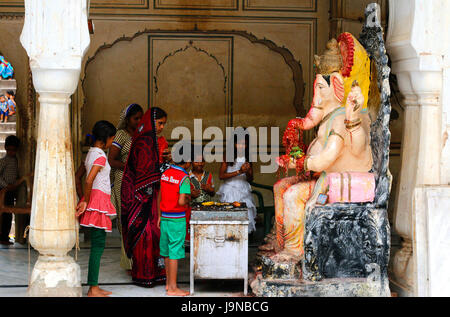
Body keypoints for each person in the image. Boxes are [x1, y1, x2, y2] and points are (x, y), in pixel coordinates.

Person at [121, 107, 170, 287]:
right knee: (145, 235)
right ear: (151, 122)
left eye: (164, 124)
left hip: (154, 196)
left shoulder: (157, 141)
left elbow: (157, 168)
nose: (162, 127)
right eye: (159, 123)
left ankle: (157, 273)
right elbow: (142, 170)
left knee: (157, 233)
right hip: (140, 198)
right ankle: (143, 275)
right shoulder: (142, 142)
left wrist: (166, 161)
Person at [75, 120, 117, 297]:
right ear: (106, 138)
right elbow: (88, 180)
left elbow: (78, 176)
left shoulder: (90, 154)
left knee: (96, 244)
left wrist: (84, 198)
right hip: (98, 202)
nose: (112, 142)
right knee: (98, 245)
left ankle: (94, 286)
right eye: (112, 139)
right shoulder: (100, 156)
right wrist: (86, 201)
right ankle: (93, 288)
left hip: (94, 199)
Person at [108, 103, 143, 272]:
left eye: (140, 118)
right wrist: (129, 167)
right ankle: (128, 261)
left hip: (138, 181)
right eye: (135, 118)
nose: (138, 121)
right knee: (126, 220)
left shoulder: (142, 135)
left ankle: (139, 259)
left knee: (138, 219)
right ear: (127, 119)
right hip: (123, 181)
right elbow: (111, 160)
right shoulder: (121, 135)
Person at [158, 142, 192, 296]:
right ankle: (173, 288)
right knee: (175, 253)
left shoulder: (165, 173)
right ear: (188, 161)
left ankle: (167, 283)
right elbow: (181, 201)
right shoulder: (184, 178)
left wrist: (159, 215)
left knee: (166, 252)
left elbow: (160, 195)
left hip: (164, 218)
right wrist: (188, 199)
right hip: (177, 220)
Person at [217, 133, 257, 234]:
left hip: (243, 189)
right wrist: (239, 171)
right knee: (230, 215)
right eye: (239, 143)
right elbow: (221, 176)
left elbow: (250, 179)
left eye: (244, 144)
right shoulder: (228, 155)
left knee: (245, 214)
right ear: (234, 144)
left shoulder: (248, 157)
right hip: (229, 189)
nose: (241, 146)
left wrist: (247, 171)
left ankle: (242, 240)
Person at [0, 135, 20, 245]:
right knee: (5, 214)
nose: (12, 152)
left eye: (14, 150)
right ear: (5, 148)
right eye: (9, 150)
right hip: (4, 191)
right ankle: (3, 238)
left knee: (9, 213)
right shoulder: (4, 161)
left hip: (11, 190)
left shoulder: (17, 160)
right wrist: (6, 185)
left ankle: (5, 237)